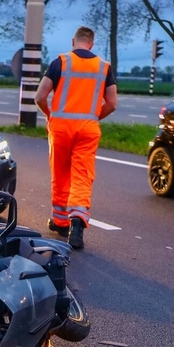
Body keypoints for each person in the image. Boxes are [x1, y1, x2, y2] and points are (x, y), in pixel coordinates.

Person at [35, 26, 117, 250]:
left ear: (73, 41)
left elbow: (40, 96)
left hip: (60, 128)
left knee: (60, 173)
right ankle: (77, 225)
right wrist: (93, 117)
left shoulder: (60, 62)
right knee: (82, 175)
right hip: (88, 129)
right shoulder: (104, 67)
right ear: (92, 43)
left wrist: (50, 115)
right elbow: (112, 103)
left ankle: (60, 222)